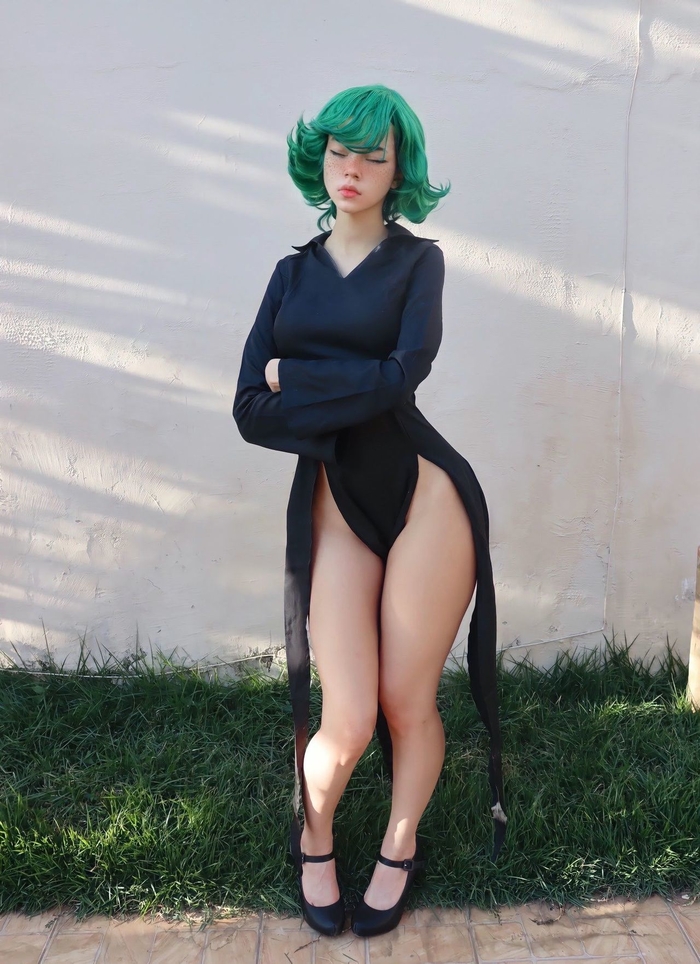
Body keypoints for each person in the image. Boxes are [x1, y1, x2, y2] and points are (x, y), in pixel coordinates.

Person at [233, 84, 507, 939]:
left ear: (399, 171)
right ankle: (314, 838)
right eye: (338, 152)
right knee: (346, 719)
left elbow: (402, 376)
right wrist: (322, 389)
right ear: (318, 159)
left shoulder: (419, 263)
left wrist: (295, 378)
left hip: (427, 493)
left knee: (404, 699)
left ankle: (398, 843)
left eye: (373, 156)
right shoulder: (290, 275)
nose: (351, 169)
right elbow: (248, 411)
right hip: (334, 499)